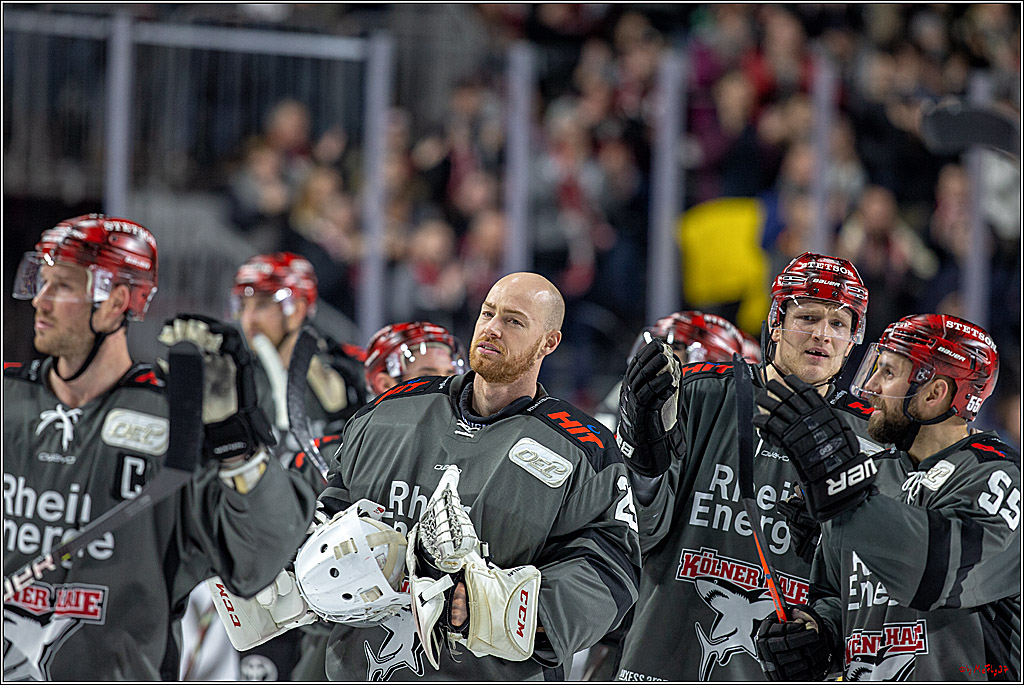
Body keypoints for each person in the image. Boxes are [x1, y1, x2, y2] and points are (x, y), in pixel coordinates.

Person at [3, 214, 316, 681]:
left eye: (62, 286)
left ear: (114, 302)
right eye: (41, 282)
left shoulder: (174, 421)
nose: (39, 302)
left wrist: (234, 438)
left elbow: (257, 562)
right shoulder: (9, 399)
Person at [315, 271, 641, 680]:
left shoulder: (586, 450)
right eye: (488, 313)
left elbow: (610, 570)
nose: (492, 329)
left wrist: (506, 612)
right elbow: (332, 508)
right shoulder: (390, 410)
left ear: (549, 342)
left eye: (514, 321)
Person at [613, 252, 888, 681]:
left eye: (839, 323)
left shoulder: (872, 438)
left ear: (854, 339)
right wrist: (642, 459)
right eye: (808, 317)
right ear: (776, 323)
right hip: (660, 664)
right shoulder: (700, 393)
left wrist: (828, 632)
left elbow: (874, 588)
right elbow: (638, 533)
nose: (823, 335)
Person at [753, 313, 1020, 681]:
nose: (871, 386)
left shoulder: (1001, 476)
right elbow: (835, 593)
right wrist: (816, 635)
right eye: (875, 369)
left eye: (889, 373)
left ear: (934, 393)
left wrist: (841, 494)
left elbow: (934, 573)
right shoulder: (871, 473)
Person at [231, 251, 366, 442]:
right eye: (243, 306)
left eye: (262, 305)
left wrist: (341, 412)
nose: (248, 320)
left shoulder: (346, 371)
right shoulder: (233, 374)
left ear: (297, 310)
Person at [593, 310, 747, 433]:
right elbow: (601, 446)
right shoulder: (629, 388)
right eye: (657, 344)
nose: (658, 353)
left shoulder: (728, 410)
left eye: (675, 347)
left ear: (710, 359)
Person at [363, 320, 468, 397]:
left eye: (450, 375)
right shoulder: (364, 426)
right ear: (385, 384)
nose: (445, 385)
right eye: (428, 377)